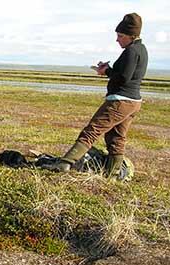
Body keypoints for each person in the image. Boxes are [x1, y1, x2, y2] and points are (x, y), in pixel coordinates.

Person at [47, 13, 148, 178]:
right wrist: (109, 70)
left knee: (92, 131)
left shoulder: (131, 51)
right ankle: (113, 174)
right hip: (133, 102)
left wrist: (106, 71)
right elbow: (126, 74)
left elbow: (123, 77)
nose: (117, 40)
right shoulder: (141, 50)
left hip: (120, 101)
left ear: (131, 35)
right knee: (116, 137)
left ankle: (65, 163)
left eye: (120, 36)